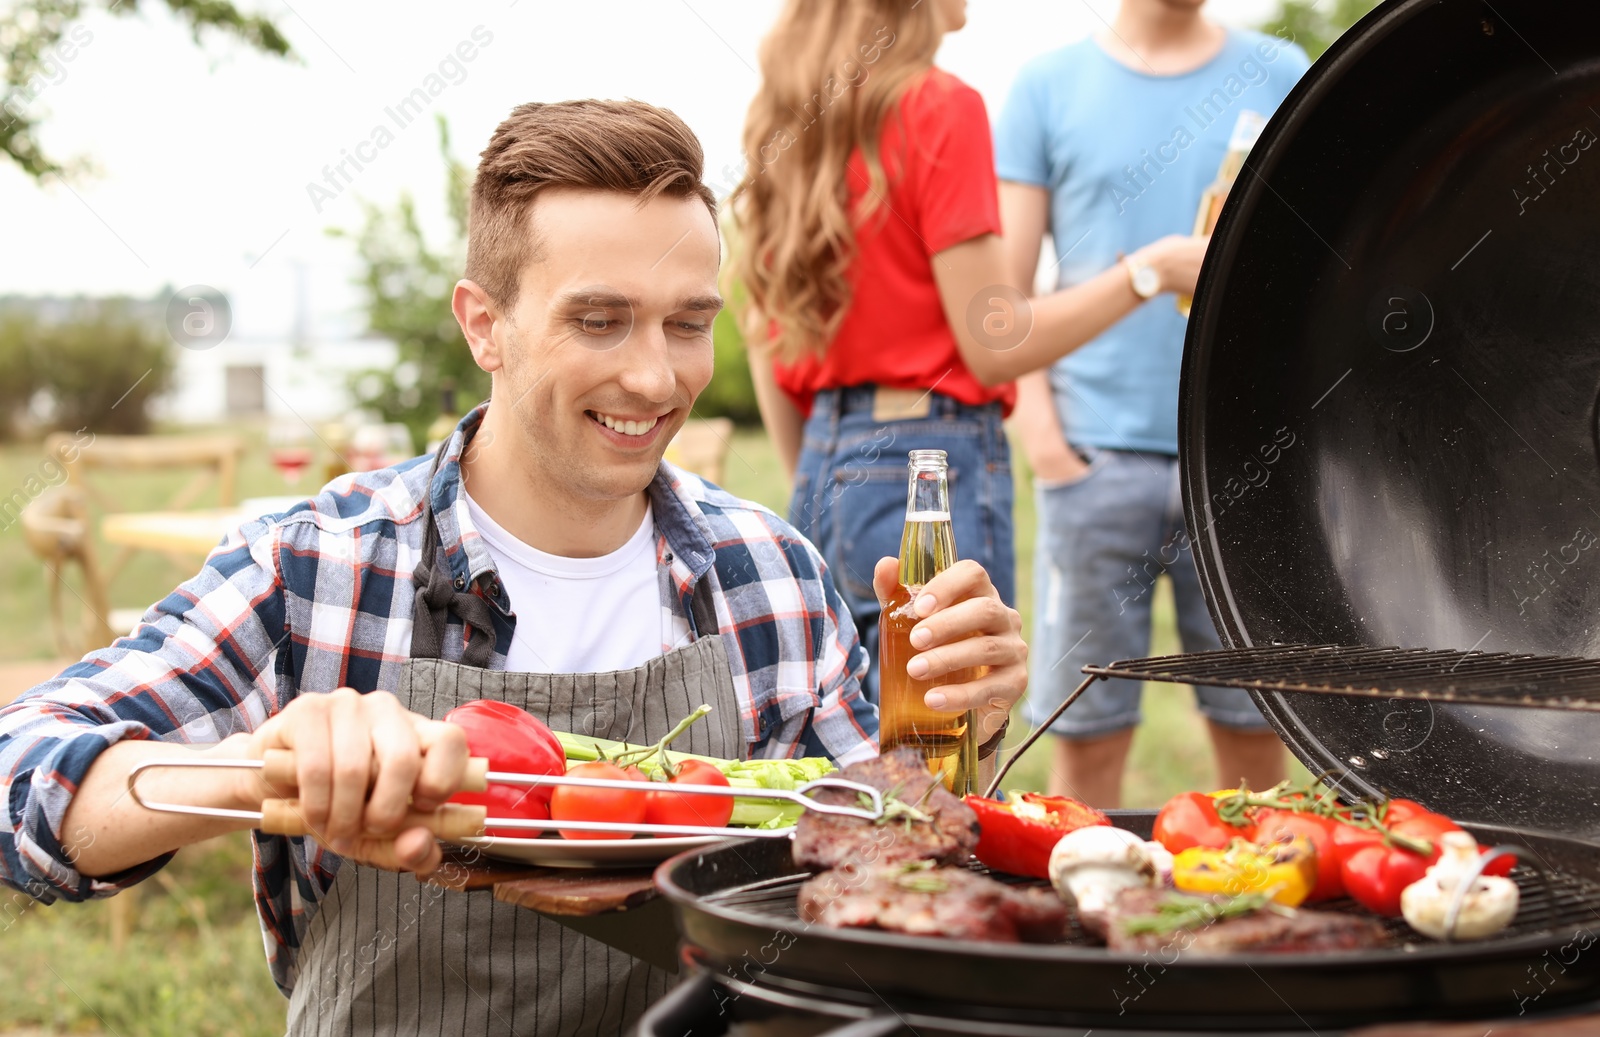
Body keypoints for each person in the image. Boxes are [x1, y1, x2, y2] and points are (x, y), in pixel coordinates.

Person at [0, 100, 1028, 1037]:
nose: (655, 375)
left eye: (688, 321)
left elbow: (889, 856)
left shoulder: (771, 574)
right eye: (599, 318)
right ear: (483, 324)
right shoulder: (317, 564)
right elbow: (26, 775)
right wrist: (272, 763)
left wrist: (954, 726)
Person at [734, 0, 1208, 708]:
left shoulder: (791, 121)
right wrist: (1152, 272)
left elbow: (763, 331)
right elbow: (994, 343)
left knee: (845, 738)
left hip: (824, 462)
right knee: (947, 745)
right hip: (928, 462)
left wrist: (822, 470)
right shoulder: (938, 104)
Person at [994, 0, 1310, 805]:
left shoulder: (1280, 73)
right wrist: (1051, 448)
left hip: (1246, 463)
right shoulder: (1046, 87)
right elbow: (1007, 301)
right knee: (1085, 739)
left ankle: (1253, 923)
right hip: (1092, 464)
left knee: (1256, 736)